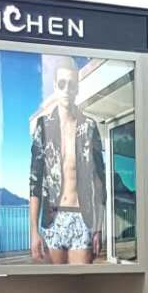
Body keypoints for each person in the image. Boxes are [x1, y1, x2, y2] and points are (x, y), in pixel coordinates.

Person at [30, 57, 107, 265]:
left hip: (82, 218)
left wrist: (98, 228)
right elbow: (35, 182)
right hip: (52, 220)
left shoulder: (89, 127)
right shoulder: (44, 126)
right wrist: (33, 231)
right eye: (62, 84)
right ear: (55, 86)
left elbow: (99, 181)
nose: (66, 89)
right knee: (54, 284)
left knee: (80, 282)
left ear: (77, 88)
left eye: (71, 84)